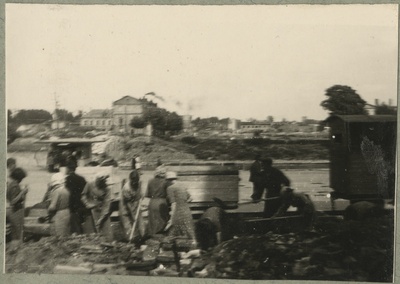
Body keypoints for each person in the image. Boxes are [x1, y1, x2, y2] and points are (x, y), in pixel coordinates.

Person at [165, 171, 196, 243]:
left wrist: (171, 217)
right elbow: (190, 198)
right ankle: (193, 243)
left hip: (178, 211)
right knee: (189, 229)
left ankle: (178, 245)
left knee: (174, 231)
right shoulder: (182, 185)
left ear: (168, 180)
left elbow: (173, 203)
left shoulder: (170, 188)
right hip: (186, 210)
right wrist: (183, 202)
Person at [119, 163, 143, 241]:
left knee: (139, 222)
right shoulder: (126, 188)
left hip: (134, 204)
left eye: (136, 181)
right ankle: (130, 240)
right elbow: (129, 204)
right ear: (130, 179)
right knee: (127, 224)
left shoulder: (139, 183)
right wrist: (133, 215)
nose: (135, 183)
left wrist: (140, 197)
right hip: (125, 205)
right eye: (134, 181)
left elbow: (140, 193)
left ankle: (140, 237)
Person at [65, 158, 87, 234]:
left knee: (74, 225)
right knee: (80, 223)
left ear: (68, 168)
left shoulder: (68, 179)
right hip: (81, 204)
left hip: (73, 205)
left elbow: (68, 193)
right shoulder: (82, 178)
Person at [145, 167, 169, 236]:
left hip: (152, 202)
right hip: (162, 202)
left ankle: (153, 239)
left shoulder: (150, 181)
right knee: (162, 223)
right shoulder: (165, 182)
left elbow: (147, 194)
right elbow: (169, 194)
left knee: (152, 223)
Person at [6, 167, 28, 242]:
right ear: (19, 178)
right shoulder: (14, 185)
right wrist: (22, 192)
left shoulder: (11, 184)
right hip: (15, 211)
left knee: (15, 233)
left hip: (14, 211)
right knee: (18, 234)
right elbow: (13, 201)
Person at [48, 172, 71, 237]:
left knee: (58, 235)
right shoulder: (65, 190)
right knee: (65, 233)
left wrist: (48, 210)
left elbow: (52, 207)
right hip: (67, 212)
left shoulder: (56, 191)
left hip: (59, 214)